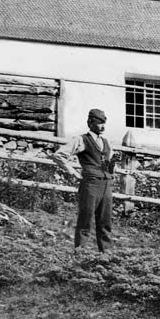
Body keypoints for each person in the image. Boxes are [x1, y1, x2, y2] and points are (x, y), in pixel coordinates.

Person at [54, 108, 118, 252]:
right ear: (90, 122)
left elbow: (109, 165)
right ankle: (80, 254)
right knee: (85, 220)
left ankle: (107, 256)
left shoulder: (106, 142)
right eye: (99, 123)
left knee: (105, 222)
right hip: (90, 184)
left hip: (106, 185)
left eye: (104, 123)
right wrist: (74, 172)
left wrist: (113, 165)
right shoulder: (82, 139)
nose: (102, 127)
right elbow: (59, 155)